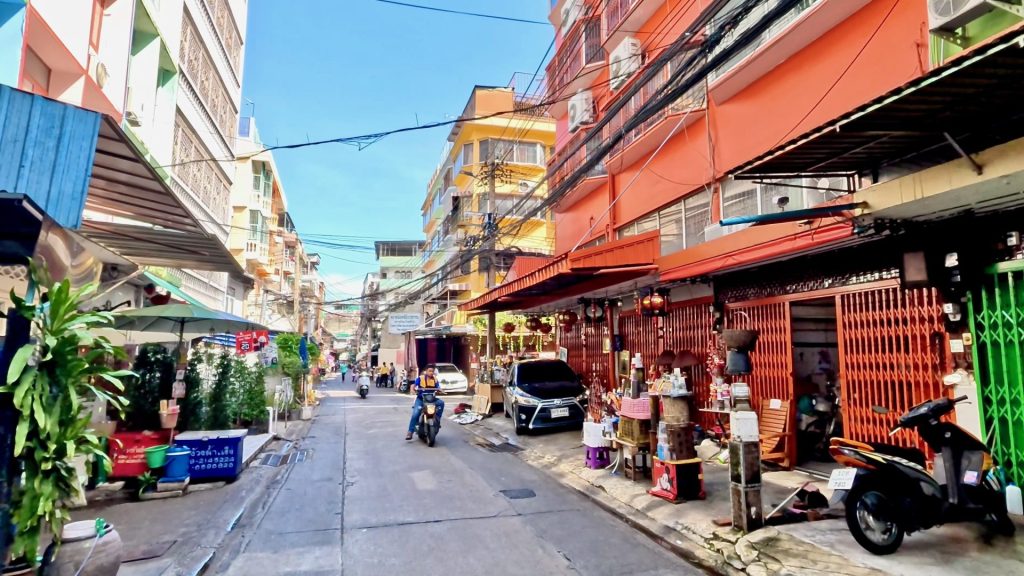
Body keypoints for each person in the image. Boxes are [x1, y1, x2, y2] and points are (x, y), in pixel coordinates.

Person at [406, 365, 444, 440]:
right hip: (421, 399)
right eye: (429, 371)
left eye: (432, 371)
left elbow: (438, 387)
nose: (431, 372)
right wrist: (413, 389)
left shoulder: (435, 379)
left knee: (441, 403)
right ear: (426, 371)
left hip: (432, 399)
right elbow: (414, 385)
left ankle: (437, 419)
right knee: (415, 414)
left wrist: (440, 390)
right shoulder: (420, 378)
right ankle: (410, 432)